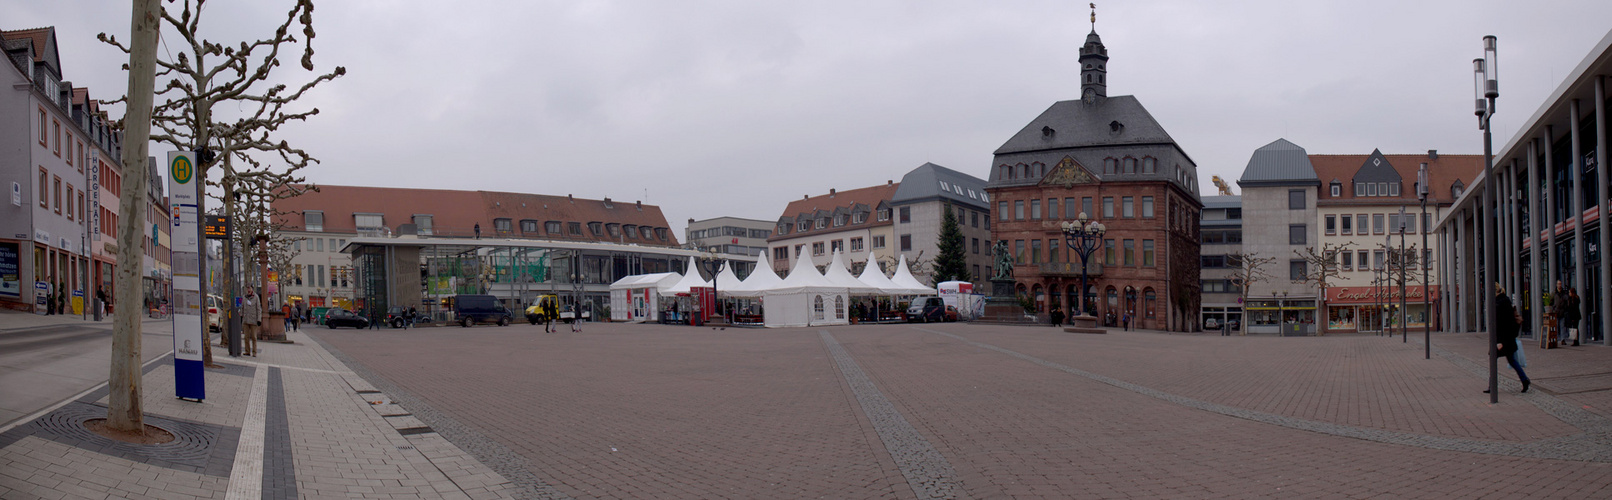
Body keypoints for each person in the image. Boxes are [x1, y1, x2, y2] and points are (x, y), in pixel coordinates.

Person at [1490, 283, 1529, 394]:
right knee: (1512, 360)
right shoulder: (1505, 301)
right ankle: (1524, 380)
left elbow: (1500, 325)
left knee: (1494, 360)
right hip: (1508, 339)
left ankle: (1491, 386)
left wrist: (1499, 341)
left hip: (1503, 340)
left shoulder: (1499, 304)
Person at [242, 288, 262, 357]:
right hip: (246, 320)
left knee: (254, 337)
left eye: (249, 288)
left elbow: (258, 309)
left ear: (252, 289)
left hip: (253, 320)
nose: (248, 290)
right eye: (247, 288)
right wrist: (241, 316)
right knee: (246, 337)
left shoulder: (256, 297)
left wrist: (259, 319)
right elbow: (242, 307)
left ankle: (254, 352)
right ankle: (247, 351)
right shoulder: (244, 297)